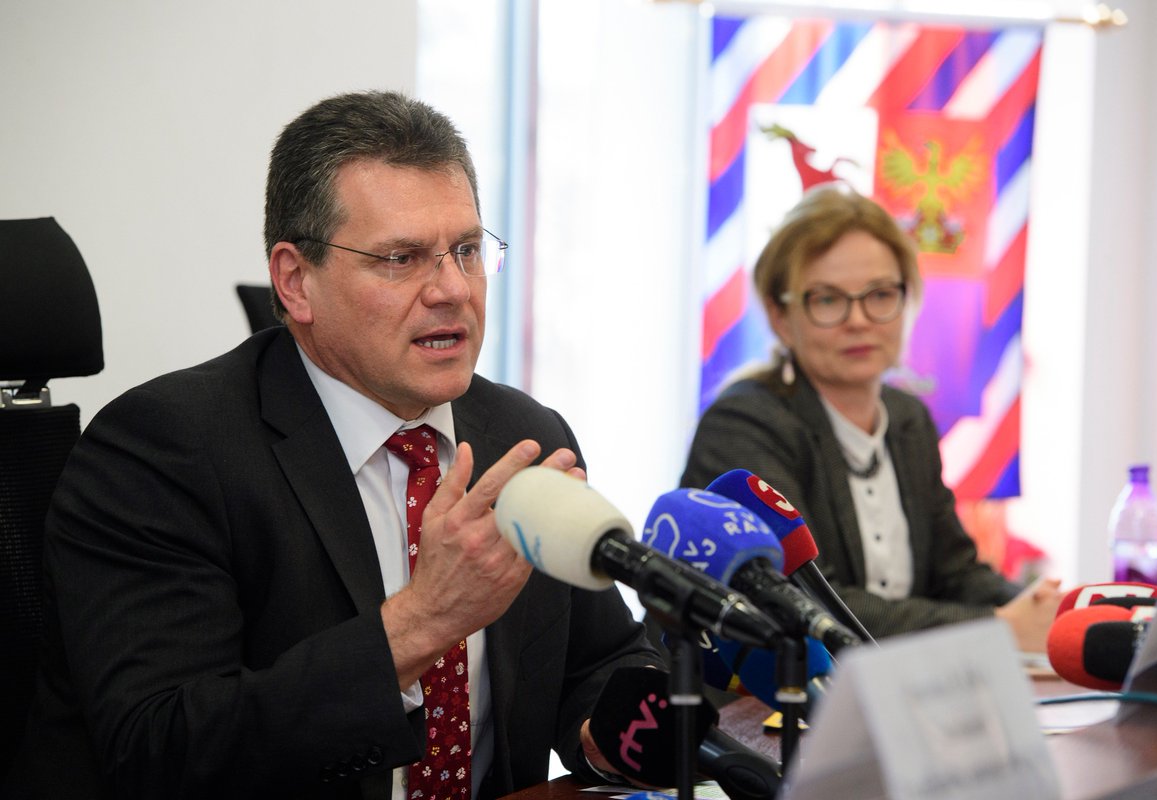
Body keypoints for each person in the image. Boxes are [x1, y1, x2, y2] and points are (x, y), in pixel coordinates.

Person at [5, 90, 662, 799]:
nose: (452, 289)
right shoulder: (164, 452)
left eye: (467, 250)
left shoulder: (523, 439)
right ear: (296, 282)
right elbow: (162, 751)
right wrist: (422, 622)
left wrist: (614, 735)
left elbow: (598, 662)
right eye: (402, 258)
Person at [680, 184, 1063, 652]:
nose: (859, 320)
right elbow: (807, 602)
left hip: (890, 681)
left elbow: (956, 574)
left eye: (880, 294)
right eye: (827, 299)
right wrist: (997, 626)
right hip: (758, 691)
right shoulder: (745, 424)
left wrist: (1044, 610)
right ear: (781, 317)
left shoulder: (907, 419)